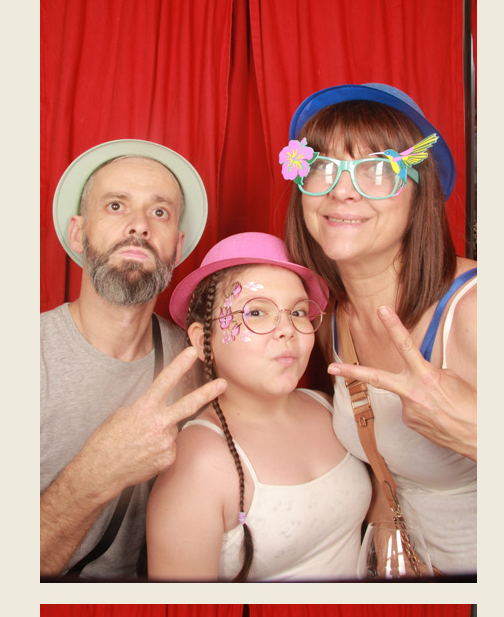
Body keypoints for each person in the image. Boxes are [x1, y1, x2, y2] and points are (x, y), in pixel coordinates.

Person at [280, 83, 476, 576]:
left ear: (419, 194)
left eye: (377, 169)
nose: (342, 190)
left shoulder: (475, 311)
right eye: (323, 167)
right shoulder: (330, 320)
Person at [40, 139, 223, 580]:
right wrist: (99, 472)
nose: (139, 225)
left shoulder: (197, 361)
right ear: (78, 233)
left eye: (159, 212)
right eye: (116, 206)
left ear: (177, 246)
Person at [146, 234, 369, 581]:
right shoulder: (196, 466)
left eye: (298, 312)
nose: (287, 330)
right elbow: (183, 611)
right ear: (202, 340)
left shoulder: (329, 408)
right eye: (256, 312)